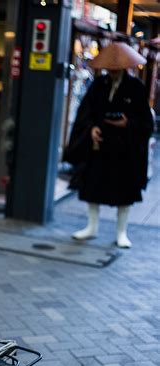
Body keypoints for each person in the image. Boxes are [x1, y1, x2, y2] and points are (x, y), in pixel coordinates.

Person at [64, 41, 153, 248]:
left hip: (124, 148)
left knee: (124, 191)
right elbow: (85, 113)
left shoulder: (136, 87)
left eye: (116, 68)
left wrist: (127, 123)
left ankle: (121, 232)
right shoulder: (98, 85)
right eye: (109, 68)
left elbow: (145, 122)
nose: (112, 72)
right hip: (100, 145)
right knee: (92, 187)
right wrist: (92, 128)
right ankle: (91, 226)